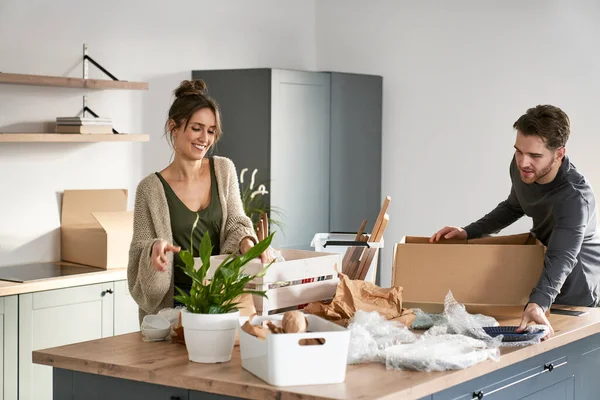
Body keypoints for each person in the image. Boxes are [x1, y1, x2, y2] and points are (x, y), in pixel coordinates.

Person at [430, 105, 600, 339]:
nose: (523, 162)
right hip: (543, 280)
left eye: (535, 156)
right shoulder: (524, 169)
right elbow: (514, 205)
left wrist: (538, 303)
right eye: (519, 151)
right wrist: (469, 232)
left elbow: (563, 257)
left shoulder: (575, 197)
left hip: (577, 293)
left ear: (559, 154)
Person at [128, 79, 272, 321]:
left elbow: (236, 221)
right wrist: (153, 250)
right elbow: (139, 250)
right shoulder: (150, 189)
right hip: (173, 309)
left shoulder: (223, 170)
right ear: (174, 127)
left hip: (223, 300)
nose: (205, 138)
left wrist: (246, 241)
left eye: (211, 130)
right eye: (196, 128)